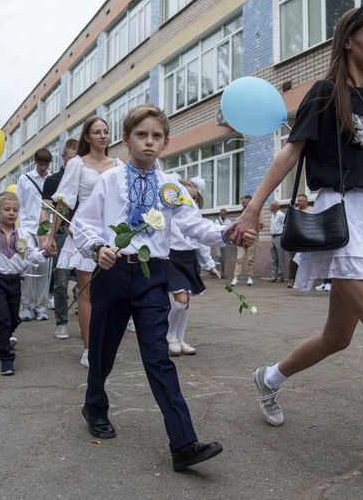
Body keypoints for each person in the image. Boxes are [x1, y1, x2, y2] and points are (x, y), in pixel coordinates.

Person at [226, 7, 363, 491]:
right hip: (337, 214)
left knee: (338, 337)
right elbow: (291, 152)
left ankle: (268, 379)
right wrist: (252, 210)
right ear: (349, 41)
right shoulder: (325, 94)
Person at [72, 104, 257, 472]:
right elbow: (83, 223)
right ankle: (94, 405)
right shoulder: (110, 180)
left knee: (158, 357)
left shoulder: (170, 187)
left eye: (156, 136)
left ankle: (183, 443)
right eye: (142, 135)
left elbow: (194, 227)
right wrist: (97, 248)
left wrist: (229, 233)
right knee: (104, 350)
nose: (149, 142)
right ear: (127, 140)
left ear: (166, 142)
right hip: (114, 273)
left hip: (152, 276)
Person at [53, 116, 123, 368]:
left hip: (112, 231)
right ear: (87, 137)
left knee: (112, 292)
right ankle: (89, 348)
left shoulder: (118, 164)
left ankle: (105, 342)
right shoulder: (77, 164)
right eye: (97, 132)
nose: (103, 135)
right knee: (87, 291)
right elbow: (64, 200)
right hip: (84, 229)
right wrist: (50, 236)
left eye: (106, 131)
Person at [0, 191, 56, 375]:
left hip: (15, 281)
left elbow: (32, 254)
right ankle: (5, 359)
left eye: (15, 210)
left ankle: (5, 333)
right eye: (7, 209)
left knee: (14, 318)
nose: (11, 213)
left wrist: (45, 254)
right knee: (3, 318)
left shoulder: (23, 234)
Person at [166, 178, 222, 356]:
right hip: (172, 257)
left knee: (186, 302)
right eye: (184, 185)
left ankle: (180, 338)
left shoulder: (195, 213)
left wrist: (210, 265)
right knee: (180, 300)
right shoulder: (170, 207)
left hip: (189, 258)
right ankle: (169, 337)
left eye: (191, 185)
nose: (188, 188)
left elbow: (202, 240)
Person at [40, 138, 79, 339]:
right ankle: (62, 322)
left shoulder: (86, 177)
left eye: (77, 158)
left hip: (84, 233)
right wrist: (45, 238)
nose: (74, 162)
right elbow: (46, 210)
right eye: (70, 158)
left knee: (88, 283)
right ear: (63, 157)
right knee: (61, 281)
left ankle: (88, 319)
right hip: (62, 233)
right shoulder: (53, 181)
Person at [16, 147, 52, 322]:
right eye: (40, 164)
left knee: (45, 270)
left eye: (46, 164)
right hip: (27, 229)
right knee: (28, 269)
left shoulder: (53, 180)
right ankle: (25, 306)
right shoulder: (25, 179)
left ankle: (41, 307)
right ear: (35, 162)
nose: (43, 168)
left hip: (46, 229)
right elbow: (18, 204)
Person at [230, 195, 261, 287]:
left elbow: (260, 225)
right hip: (241, 237)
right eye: (242, 202)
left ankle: (250, 277)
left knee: (251, 258)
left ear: (250, 202)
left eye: (244, 202)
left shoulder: (257, 212)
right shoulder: (241, 212)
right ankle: (236, 277)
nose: (242, 203)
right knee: (240, 258)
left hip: (251, 237)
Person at [268, 201, 285, 282]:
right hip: (273, 237)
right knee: (273, 257)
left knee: (280, 257)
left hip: (279, 237)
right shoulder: (273, 215)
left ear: (275, 206)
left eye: (271, 205)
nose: (269, 207)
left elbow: (284, 226)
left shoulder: (281, 215)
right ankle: (274, 275)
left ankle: (281, 276)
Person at [212, 208, 232, 278]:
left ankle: (223, 273)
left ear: (226, 214)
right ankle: (216, 273)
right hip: (217, 241)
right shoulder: (216, 220)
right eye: (222, 214)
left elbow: (230, 231)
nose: (223, 215)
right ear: (220, 214)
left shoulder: (228, 221)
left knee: (223, 258)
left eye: (224, 214)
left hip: (224, 241)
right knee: (218, 256)